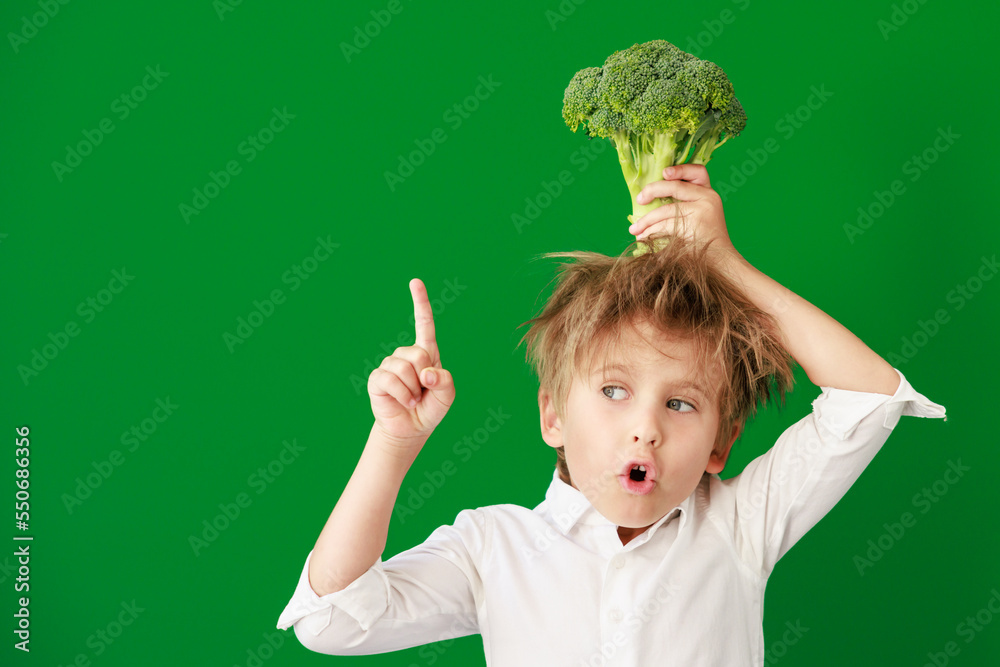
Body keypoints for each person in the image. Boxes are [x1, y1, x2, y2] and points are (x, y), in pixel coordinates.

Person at [275, 164, 946, 665]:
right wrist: (392, 443)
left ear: (721, 444)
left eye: (681, 403)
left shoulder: (741, 523)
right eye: (614, 391)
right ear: (552, 416)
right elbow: (334, 617)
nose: (645, 427)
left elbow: (868, 394)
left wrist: (723, 263)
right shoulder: (493, 547)